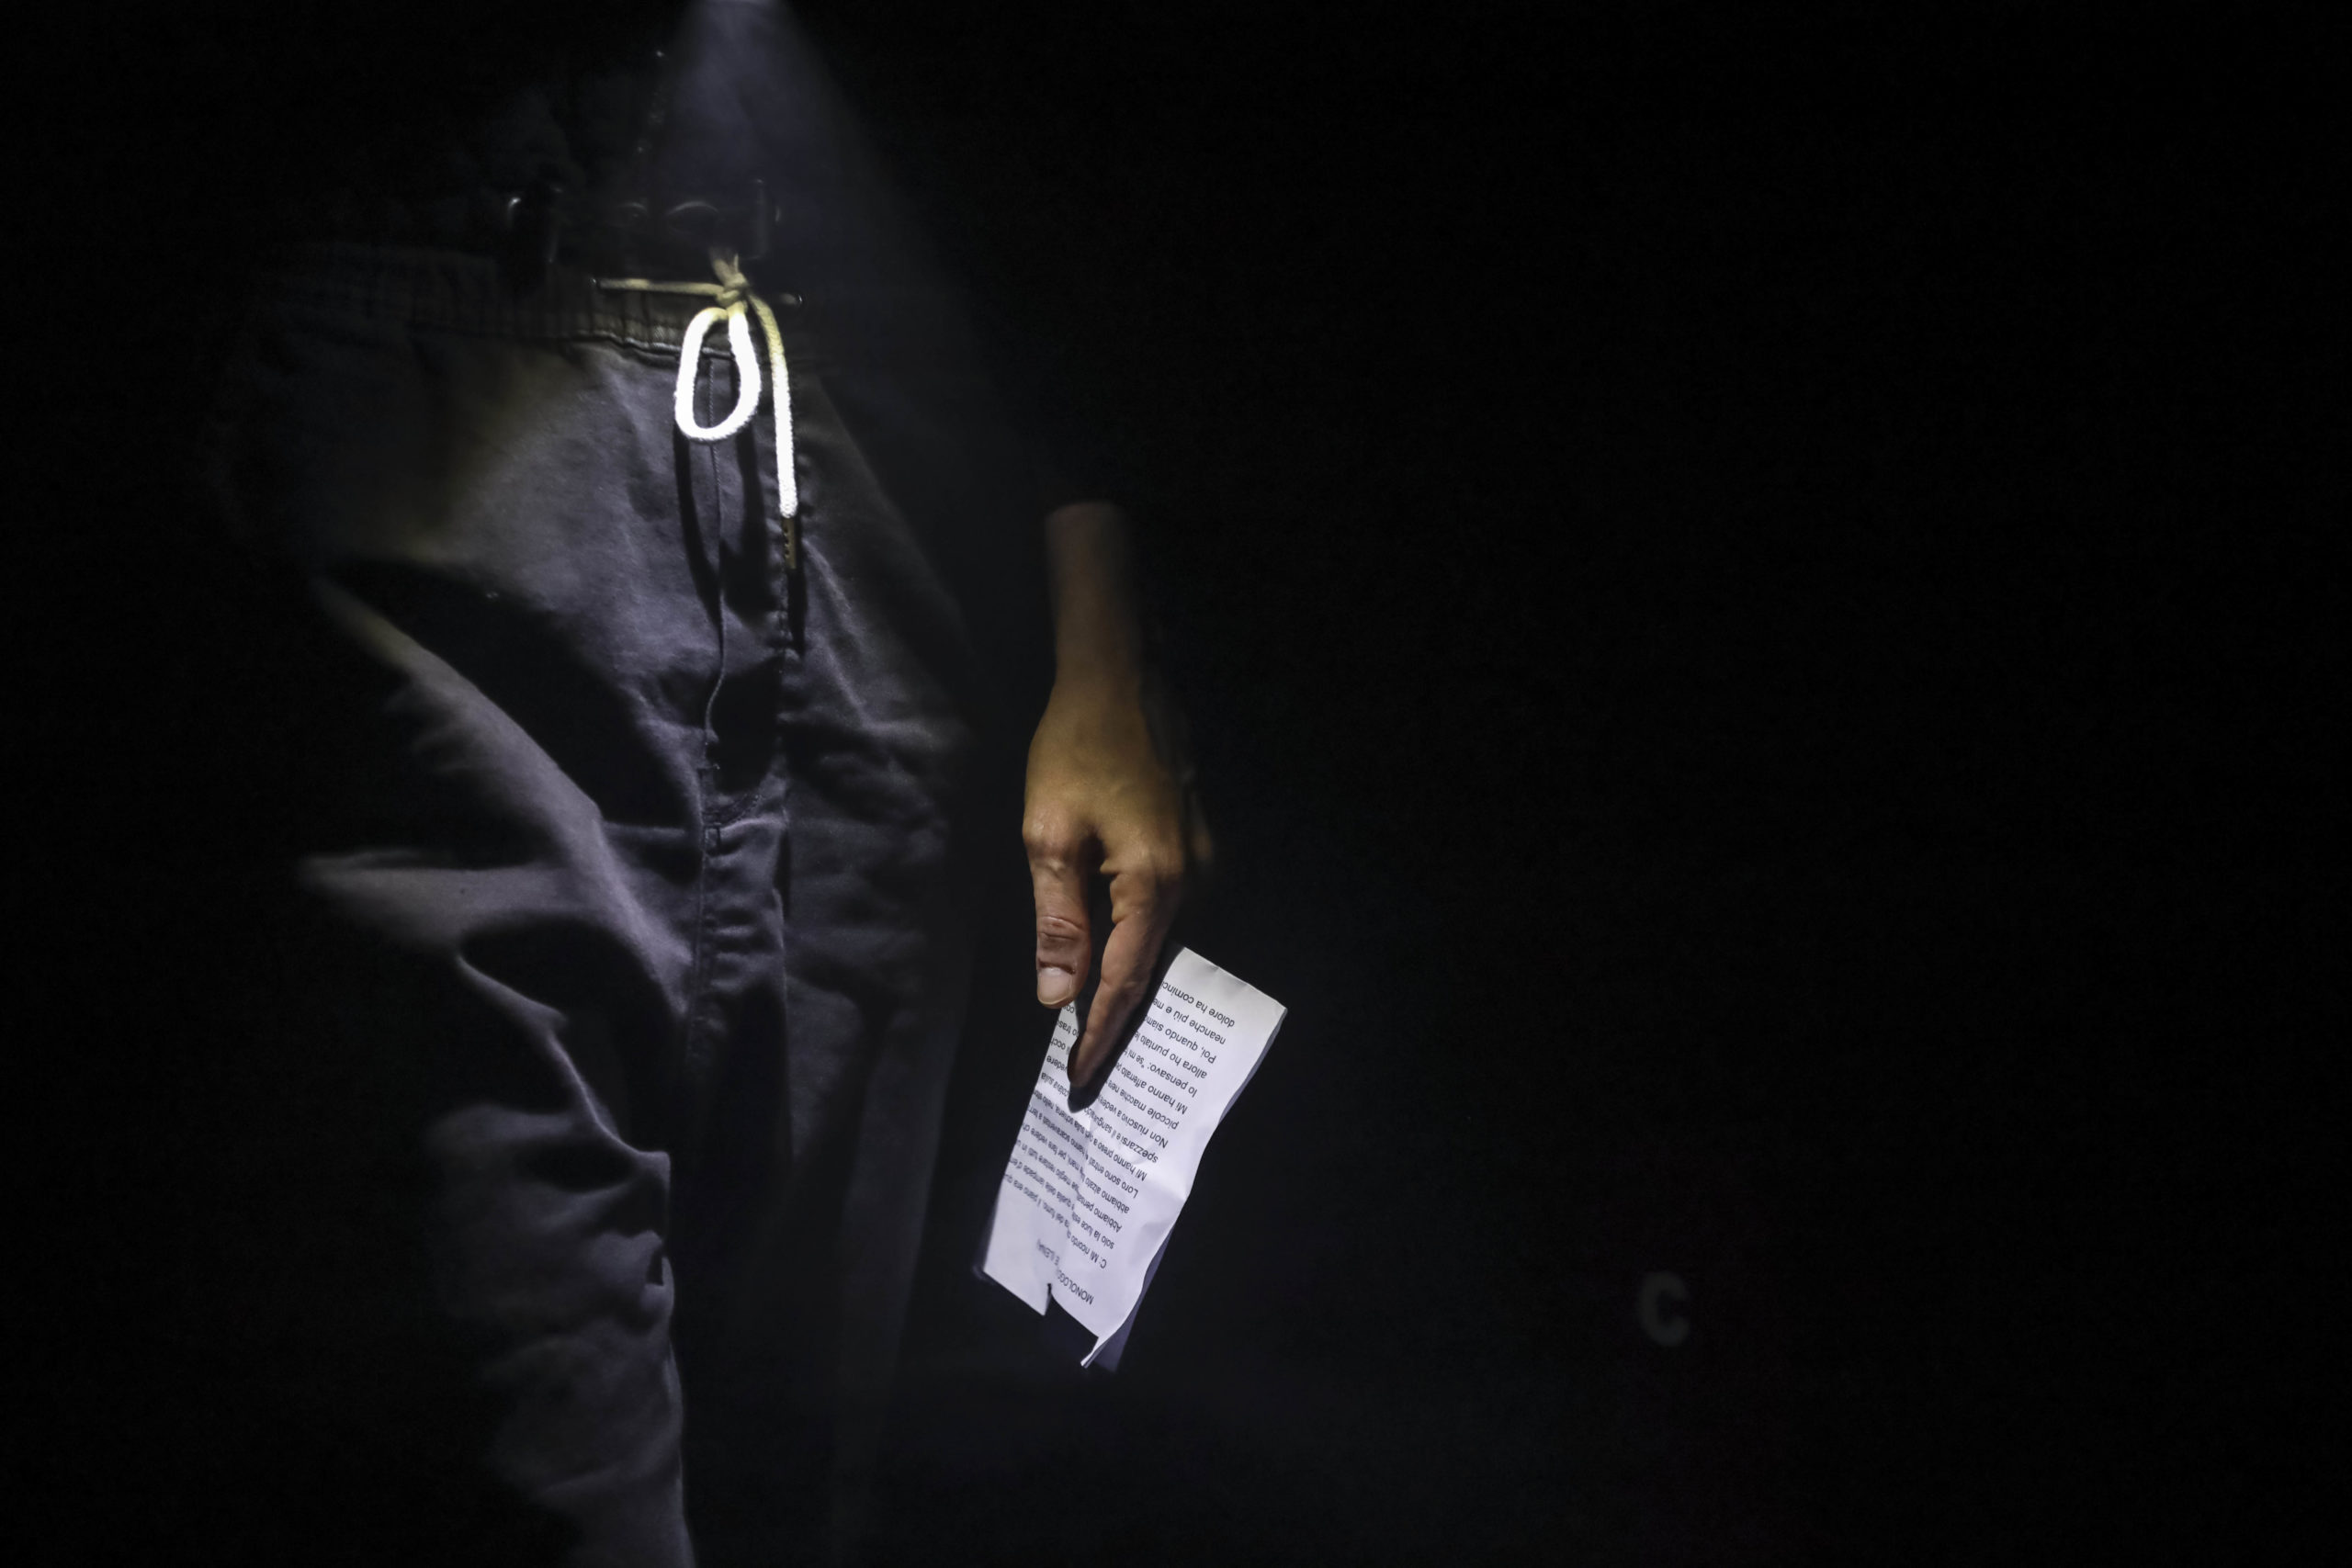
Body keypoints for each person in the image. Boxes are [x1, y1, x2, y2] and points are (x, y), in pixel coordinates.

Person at [194, 2, 1205, 1562]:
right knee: (529, 1415)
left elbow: (1051, 133)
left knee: (804, 1445)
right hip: (448, 360)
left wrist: (1104, 634)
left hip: (871, 424)